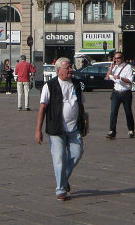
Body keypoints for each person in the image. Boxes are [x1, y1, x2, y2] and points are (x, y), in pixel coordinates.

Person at [35, 57, 86, 201]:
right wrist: (38, 130)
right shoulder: (50, 86)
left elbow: (81, 105)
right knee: (59, 159)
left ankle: (63, 180)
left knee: (77, 153)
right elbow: (42, 108)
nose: (70, 70)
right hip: (56, 128)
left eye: (71, 67)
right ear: (58, 71)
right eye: (67, 68)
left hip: (74, 128)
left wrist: (84, 122)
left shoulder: (76, 84)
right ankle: (60, 189)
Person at [105, 51, 135, 139]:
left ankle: (131, 130)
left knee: (128, 112)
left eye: (118, 58)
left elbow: (130, 81)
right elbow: (107, 77)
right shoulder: (115, 68)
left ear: (122, 58)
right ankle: (112, 131)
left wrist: (120, 78)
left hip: (126, 92)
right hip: (116, 92)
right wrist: (111, 68)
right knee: (113, 112)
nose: (116, 60)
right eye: (115, 58)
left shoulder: (128, 67)